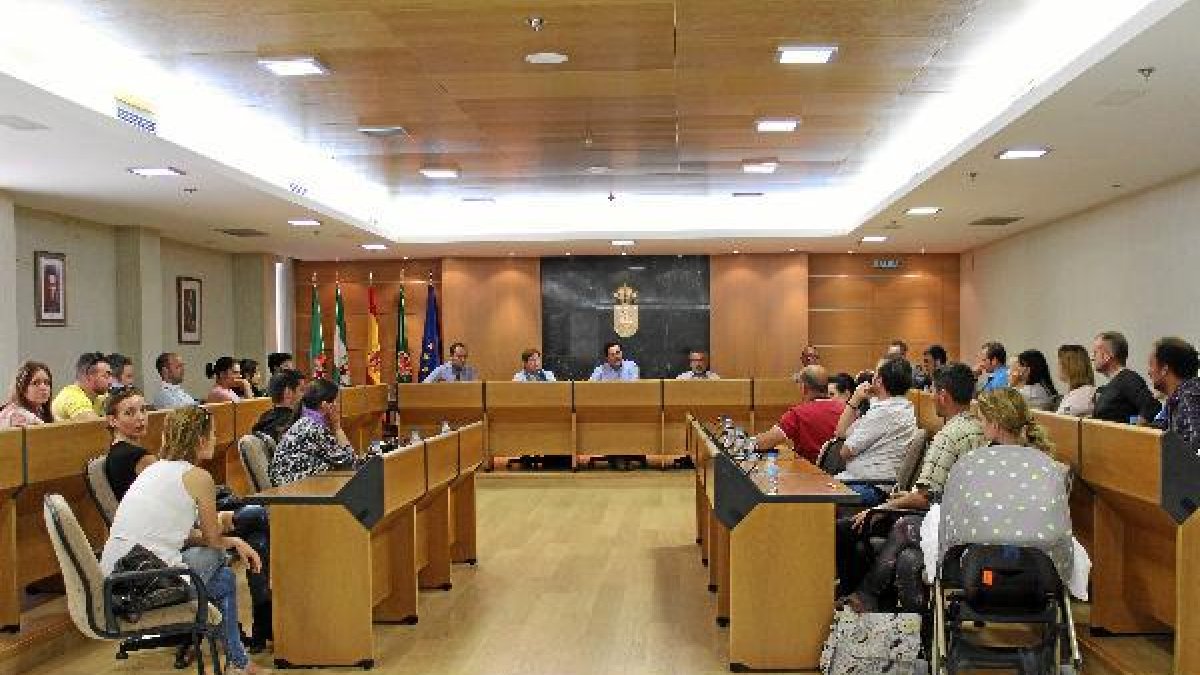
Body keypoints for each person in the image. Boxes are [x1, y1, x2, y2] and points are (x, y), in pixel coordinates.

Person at [103, 390, 273, 651]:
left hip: (115, 581)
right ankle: (262, 625)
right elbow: (214, 540)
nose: (216, 439)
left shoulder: (155, 469)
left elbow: (176, 534)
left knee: (225, 578)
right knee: (217, 556)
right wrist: (235, 542)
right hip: (146, 584)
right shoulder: (197, 476)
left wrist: (233, 541)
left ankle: (237, 660)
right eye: (213, 433)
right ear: (201, 439)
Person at [835, 363, 988, 610]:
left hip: (942, 518)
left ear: (943, 396)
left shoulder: (948, 436)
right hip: (966, 517)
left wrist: (882, 507)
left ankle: (861, 596)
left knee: (846, 529)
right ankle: (866, 597)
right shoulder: (979, 429)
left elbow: (925, 498)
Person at [936, 388, 1074, 587]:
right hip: (1042, 568)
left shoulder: (972, 463)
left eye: (982, 420)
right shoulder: (1047, 465)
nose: (981, 426)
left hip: (978, 565)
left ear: (995, 423)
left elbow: (954, 518)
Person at [833, 357, 917, 507]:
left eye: (875, 374)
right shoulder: (900, 406)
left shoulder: (884, 412)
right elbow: (841, 433)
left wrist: (855, 398)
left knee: (815, 498)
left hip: (870, 487)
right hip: (863, 482)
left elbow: (845, 452)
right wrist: (856, 398)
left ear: (879, 381)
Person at [270, 379, 380, 486]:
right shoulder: (314, 428)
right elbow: (350, 463)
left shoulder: (307, 421)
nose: (338, 406)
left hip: (296, 485)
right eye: (336, 401)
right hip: (292, 491)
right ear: (325, 405)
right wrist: (337, 427)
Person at [752, 366, 842, 463]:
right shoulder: (846, 409)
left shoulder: (798, 414)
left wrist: (744, 442)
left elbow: (765, 442)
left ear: (804, 387)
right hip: (841, 473)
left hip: (810, 473)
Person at [1091, 331, 1160, 423]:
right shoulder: (1117, 382)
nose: (1092, 357)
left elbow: (1152, 408)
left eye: (1095, 353)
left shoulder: (1129, 379)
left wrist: (1131, 430)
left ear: (1106, 356)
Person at [1148, 337, 1200, 446]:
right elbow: (1159, 428)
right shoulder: (1176, 398)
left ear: (1164, 370)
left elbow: (1194, 450)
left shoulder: (1189, 397)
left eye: (1151, 364)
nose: (1149, 372)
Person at [51, 352, 112, 421]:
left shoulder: (98, 395)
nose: (111, 381)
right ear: (89, 376)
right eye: (106, 376)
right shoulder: (73, 397)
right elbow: (95, 427)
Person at [252, 369, 303, 443]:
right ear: (288, 392)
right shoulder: (294, 423)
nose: (303, 395)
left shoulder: (264, 417)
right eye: (301, 390)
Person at [0, 361, 54, 427]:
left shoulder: (40, 410)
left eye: (47, 383)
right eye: (36, 383)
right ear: (22, 389)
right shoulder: (16, 415)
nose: (43, 388)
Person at [1056, 345, 1097, 417]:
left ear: (1069, 367)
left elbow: (1058, 421)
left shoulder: (1082, 394)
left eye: (1059, 363)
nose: (1057, 367)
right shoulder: (1079, 392)